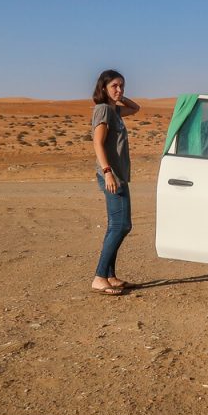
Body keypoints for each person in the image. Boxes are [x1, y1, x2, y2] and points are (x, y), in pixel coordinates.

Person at [90, 69, 140, 295]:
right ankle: (100, 276)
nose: (120, 90)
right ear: (103, 88)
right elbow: (98, 143)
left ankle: (110, 275)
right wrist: (108, 172)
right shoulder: (103, 110)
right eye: (114, 86)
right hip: (112, 176)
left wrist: (117, 98)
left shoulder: (114, 111)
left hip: (118, 175)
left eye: (122, 86)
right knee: (122, 226)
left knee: (116, 226)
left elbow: (135, 108)